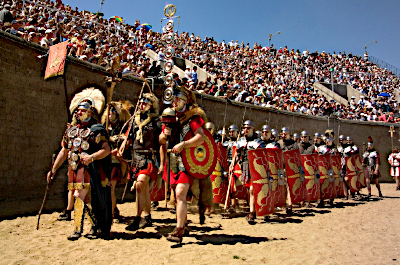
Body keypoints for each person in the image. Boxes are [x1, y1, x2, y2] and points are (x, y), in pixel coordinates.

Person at [46, 87, 112, 240]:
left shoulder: (96, 130)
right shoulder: (71, 131)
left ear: (90, 112)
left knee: (79, 196)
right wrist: (54, 169)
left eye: (81, 111)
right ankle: (92, 226)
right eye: (77, 110)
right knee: (84, 198)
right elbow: (64, 151)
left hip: (91, 170)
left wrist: (92, 157)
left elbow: (106, 149)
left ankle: (80, 229)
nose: (78, 113)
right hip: (74, 169)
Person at [159, 86, 207, 243]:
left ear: (185, 101)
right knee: (179, 194)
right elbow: (160, 141)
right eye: (173, 99)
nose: (174, 102)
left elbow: (201, 138)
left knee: (180, 193)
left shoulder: (193, 118)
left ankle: (178, 231)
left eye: (177, 99)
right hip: (173, 161)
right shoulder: (169, 117)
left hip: (188, 161)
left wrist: (184, 144)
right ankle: (184, 225)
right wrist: (163, 136)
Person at [125, 93, 161, 231]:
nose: (141, 105)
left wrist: (162, 162)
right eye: (140, 103)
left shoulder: (156, 121)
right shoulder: (134, 120)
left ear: (151, 105)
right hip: (135, 158)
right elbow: (128, 138)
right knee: (143, 189)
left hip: (148, 158)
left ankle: (137, 218)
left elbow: (162, 142)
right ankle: (147, 216)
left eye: (144, 103)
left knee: (140, 185)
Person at [229, 120, 265, 224]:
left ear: (252, 129)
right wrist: (232, 165)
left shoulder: (259, 142)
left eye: (248, 128)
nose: (245, 130)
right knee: (248, 189)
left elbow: (262, 157)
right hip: (244, 167)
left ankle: (252, 213)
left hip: (255, 168)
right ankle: (251, 208)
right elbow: (237, 154)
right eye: (244, 128)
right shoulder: (240, 141)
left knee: (253, 189)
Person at [101, 100, 132, 220]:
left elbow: (123, 145)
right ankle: (113, 209)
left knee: (110, 187)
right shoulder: (103, 128)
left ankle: (111, 212)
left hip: (115, 161)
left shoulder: (123, 128)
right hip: (104, 161)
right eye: (109, 112)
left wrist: (113, 151)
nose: (111, 114)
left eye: (114, 112)